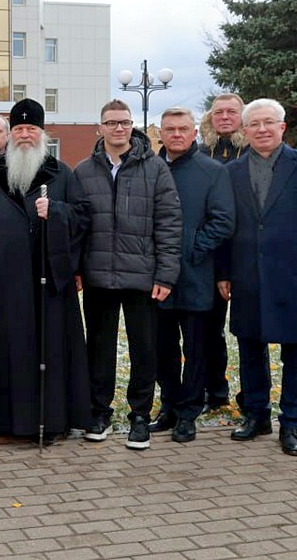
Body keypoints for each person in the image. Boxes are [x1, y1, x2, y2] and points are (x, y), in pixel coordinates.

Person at [0, 99, 92, 443]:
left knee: (46, 349)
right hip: (1, 284)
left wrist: (57, 211)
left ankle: (49, 421)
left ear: (42, 133)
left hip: (46, 283)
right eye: (18, 129)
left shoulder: (61, 173)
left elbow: (82, 218)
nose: (24, 135)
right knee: (4, 350)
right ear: (10, 134)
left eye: (30, 129)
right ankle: (1, 420)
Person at [218, 98, 297, 456]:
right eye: (253, 124)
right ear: (244, 131)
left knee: (296, 355)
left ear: (282, 127)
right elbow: (227, 227)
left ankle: (291, 424)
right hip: (247, 278)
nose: (261, 129)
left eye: (268, 123)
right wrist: (224, 272)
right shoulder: (232, 172)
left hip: (295, 279)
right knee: (251, 349)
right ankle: (256, 415)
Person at [73, 99, 182, 450]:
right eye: (111, 123)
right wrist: (77, 269)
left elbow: (169, 224)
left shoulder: (155, 169)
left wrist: (165, 275)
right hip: (98, 276)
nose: (118, 128)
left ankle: (139, 416)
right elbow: (77, 227)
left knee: (144, 349)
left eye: (124, 123)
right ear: (99, 127)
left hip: (143, 276)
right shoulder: (84, 171)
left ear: (132, 126)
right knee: (99, 349)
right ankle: (99, 411)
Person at [150, 108, 235, 444]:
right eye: (169, 129)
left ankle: (189, 411)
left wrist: (191, 248)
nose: (176, 135)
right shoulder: (151, 169)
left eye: (183, 129)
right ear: (161, 133)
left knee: (197, 347)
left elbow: (224, 220)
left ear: (194, 133)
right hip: (156, 275)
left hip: (196, 273)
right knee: (162, 346)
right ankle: (169, 404)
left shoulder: (212, 171)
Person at [199, 92, 246, 409]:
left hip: (245, 256)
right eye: (219, 112)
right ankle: (214, 390)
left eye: (232, 111)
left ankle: (252, 396)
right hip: (211, 257)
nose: (225, 117)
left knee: (249, 333)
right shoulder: (202, 153)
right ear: (210, 118)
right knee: (208, 330)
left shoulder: (253, 152)